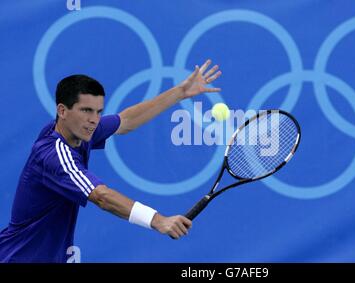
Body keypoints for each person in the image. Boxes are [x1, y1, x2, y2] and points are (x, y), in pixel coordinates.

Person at [0, 59, 222, 263]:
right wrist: (158, 220)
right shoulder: (54, 154)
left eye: (98, 112)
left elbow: (126, 121)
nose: (94, 120)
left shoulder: (75, 130)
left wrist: (180, 92)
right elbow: (101, 196)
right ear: (62, 110)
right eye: (86, 111)